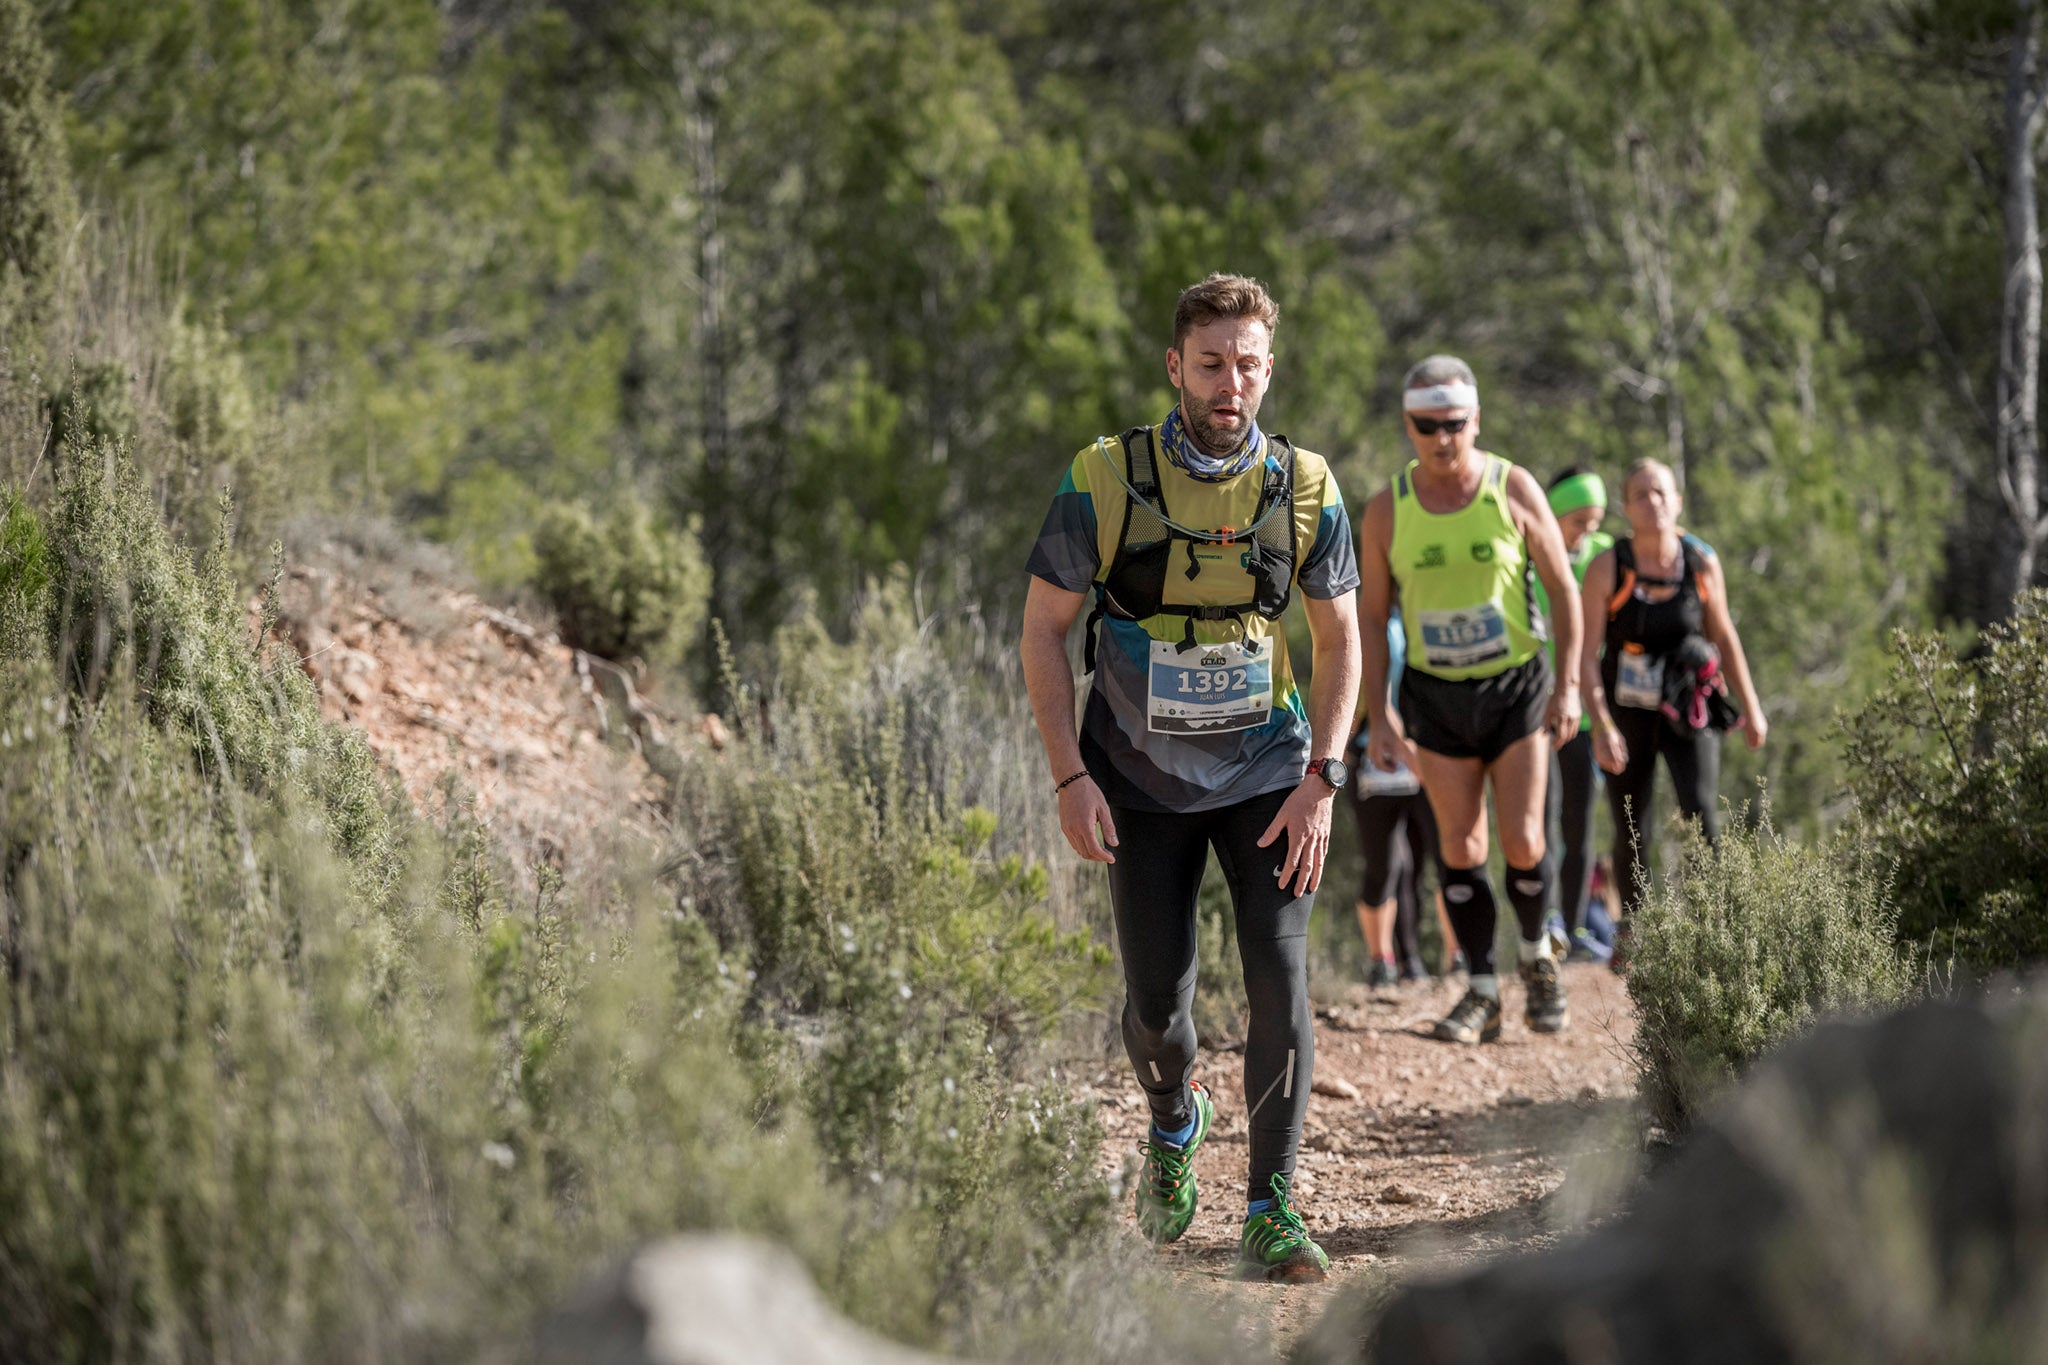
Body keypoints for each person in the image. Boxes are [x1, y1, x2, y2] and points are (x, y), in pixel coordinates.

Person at [1020, 273, 1361, 1283]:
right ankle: (1174, 1115)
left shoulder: (1304, 486)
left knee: (1276, 979)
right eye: (1209, 363)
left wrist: (1324, 778)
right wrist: (1067, 776)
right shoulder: (1104, 477)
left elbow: (1340, 642)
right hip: (1133, 777)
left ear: (1269, 368)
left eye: (1247, 364)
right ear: (1174, 366)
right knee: (1158, 1008)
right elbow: (1043, 628)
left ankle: (1271, 1208)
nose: (1230, 382)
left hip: (1269, 774)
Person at [1355, 356, 1582, 1046]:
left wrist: (1569, 684)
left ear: (1475, 420)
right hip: (1435, 694)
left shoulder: (1512, 487)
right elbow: (1369, 615)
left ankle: (1537, 955)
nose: (1441, 438)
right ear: (1408, 426)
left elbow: (1565, 591)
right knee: (1461, 843)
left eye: (1453, 424)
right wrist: (1379, 712)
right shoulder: (1388, 509)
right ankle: (1482, 989)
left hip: (1515, 685)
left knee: (1523, 838)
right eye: (1426, 426)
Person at [1578, 458, 1768, 949]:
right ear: (1626, 508)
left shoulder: (1700, 561)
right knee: (1629, 821)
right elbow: (1585, 653)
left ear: (1678, 502)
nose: (1653, 502)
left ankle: (1713, 933)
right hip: (1626, 712)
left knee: (1702, 812)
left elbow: (1724, 634)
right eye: (1640, 495)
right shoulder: (1608, 566)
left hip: (1689, 707)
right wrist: (1600, 725)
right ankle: (1633, 935)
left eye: (1661, 492)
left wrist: (1751, 707)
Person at [1534, 466, 1617, 964]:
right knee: (1539, 821)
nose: (1587, 530)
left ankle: (1579, 925)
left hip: (1585, 716)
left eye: (1595, 520)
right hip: (1537, 713)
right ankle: (1545, 922)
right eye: (1578, 520)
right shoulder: (1529, 553)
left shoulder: (1607, 557)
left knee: (1580, 824)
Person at [1348, 612, 1440, 987]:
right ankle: (1380, 959)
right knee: (1386, 866)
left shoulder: (1425, 615)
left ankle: (1422, 959)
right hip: (1376, 762)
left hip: (1427, 760)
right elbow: (1369, 693)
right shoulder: (1366, 621)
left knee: (1424, 865)